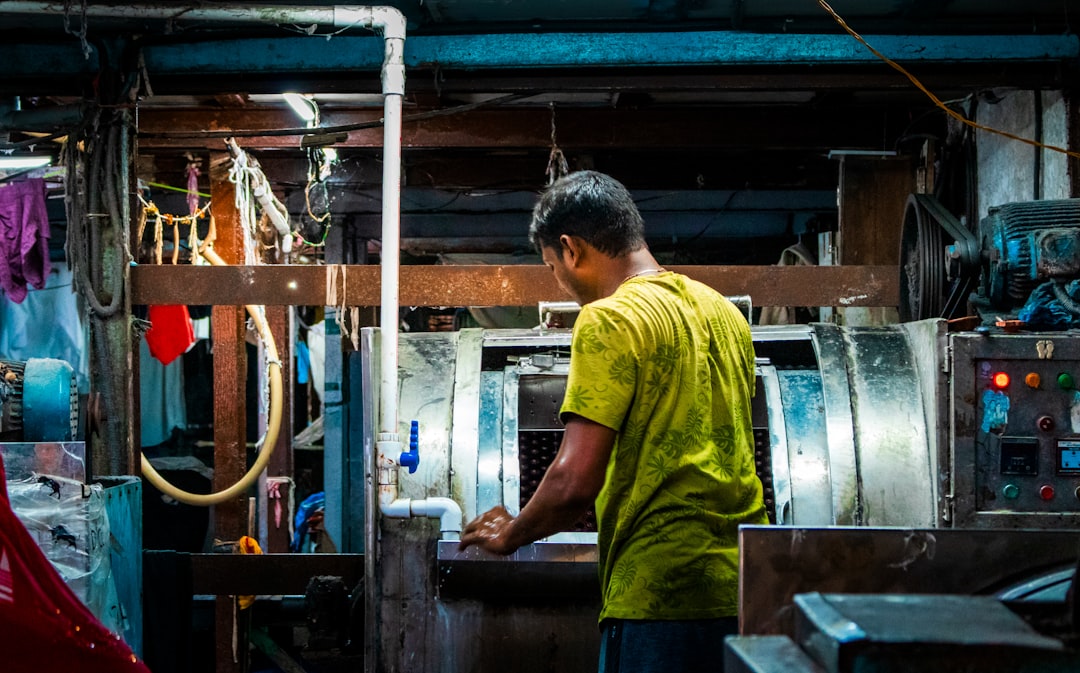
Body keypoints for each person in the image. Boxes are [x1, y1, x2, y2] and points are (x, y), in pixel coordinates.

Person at [458, 170, 768, 673]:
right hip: (746, 585)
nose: (558, 279)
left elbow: (574, 480)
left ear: (571, 248)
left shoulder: (609, 319)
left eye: (551, 266)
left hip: (660, 591)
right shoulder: (723, 313)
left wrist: (511, 534)